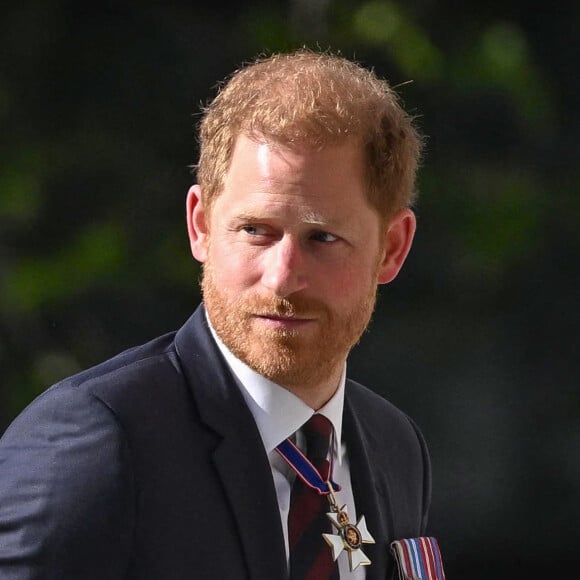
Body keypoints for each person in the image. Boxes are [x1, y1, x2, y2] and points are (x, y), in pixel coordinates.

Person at [0, 50, 431, 580]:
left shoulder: (395, 446)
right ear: (200, 225)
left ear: (391, 247)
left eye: (322, 238)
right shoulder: (101, 442)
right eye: (254, 230)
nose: (282, 277)